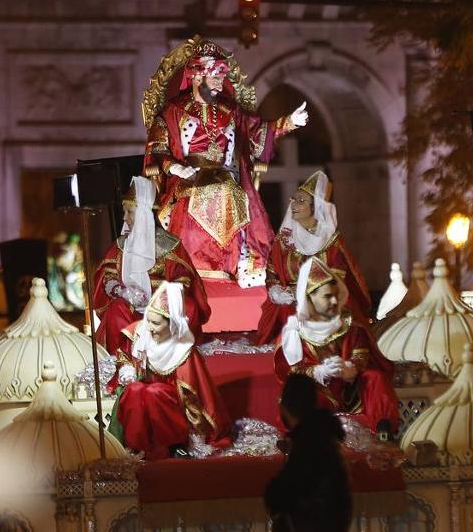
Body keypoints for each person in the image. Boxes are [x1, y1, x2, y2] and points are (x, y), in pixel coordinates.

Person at [143, 41, 308, 285]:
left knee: (229, 191)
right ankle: (193, 265)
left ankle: (232, 264)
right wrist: (174, 167)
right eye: (216, 77)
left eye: (223, 76)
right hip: (187, 177)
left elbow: (257, 132)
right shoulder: (174, 110)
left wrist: (288, 122)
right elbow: (157, 147)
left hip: (225, 176)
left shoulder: (229, 109)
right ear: (198, 77)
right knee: (213, 191)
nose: (222, 83)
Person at [274, 256, 399, 434]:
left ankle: (383, 429)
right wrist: (319, 372)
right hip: (318, 392)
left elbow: (361, 354)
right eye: (327, 296)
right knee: (302, 394)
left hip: (349, 391)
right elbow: (290, 372)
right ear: (310, 297)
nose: (334, 301)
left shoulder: (349, 324)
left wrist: (350, 368)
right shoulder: (294, 333)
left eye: (335, 295)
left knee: (375, 377)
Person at [91, 176, 207, 364]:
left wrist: (160, 299)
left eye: (129, 212)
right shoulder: (120, 246)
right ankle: (124, 363)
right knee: (115, 310)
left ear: (144, 213)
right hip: (130, 309)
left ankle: (174, 361)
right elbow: (108, 276)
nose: (124, 218)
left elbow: (184, 279)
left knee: (190, 307)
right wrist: (122, 291)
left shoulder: (170, 245)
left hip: (163, 310)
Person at [108, 282, 229, 460]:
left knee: (153, 392)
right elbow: (124, 355)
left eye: (156, 323)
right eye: (148, 321)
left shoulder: (183, 351)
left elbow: (194, 397)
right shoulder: (141, 334)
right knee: (134, 390)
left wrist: (197, 432)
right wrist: (126, 368)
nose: (150, 327)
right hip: (142, 395)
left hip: (172, 410)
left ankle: (162, 449)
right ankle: (136, 445)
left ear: (172, 324)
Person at [265, 373, 352, 532]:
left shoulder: (309, 445)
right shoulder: (324, 441)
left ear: (287, 406)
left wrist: (274, 492)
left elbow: (285, 493)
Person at [255, 170, 370, 345]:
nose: (294, 204)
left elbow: (337, 278)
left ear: (316, 207)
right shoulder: (284, 240)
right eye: (294, 199)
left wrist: (306, 293)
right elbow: (272, 272)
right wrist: (276, 290)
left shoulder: (331, 242)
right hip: (287, 304)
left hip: (323, 302)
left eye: (301, 201)